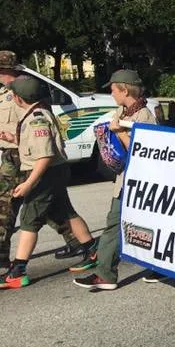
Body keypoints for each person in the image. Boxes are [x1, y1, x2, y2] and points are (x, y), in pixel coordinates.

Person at [0, 76, 97, 289]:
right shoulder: (37, 113)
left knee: (29, 219)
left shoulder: (36, 119)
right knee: (64, 212)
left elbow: (44, 157)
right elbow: (35, 144)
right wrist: (12, 137)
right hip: (54, 171)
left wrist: (28, 184)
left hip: (45, 173)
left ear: (17, 98)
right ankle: (92, 249)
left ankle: (18, 271)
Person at [73, 70, 156, 291]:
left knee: (144, 225)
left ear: (125, 90)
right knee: (113, 224)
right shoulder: (122, 111)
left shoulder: (144, 116)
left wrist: (119, 132)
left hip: (140, 182)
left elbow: (145, 152)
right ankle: (105, 274)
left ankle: (156, 267)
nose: (110, 93)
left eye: (113, 89)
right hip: (123, 179)